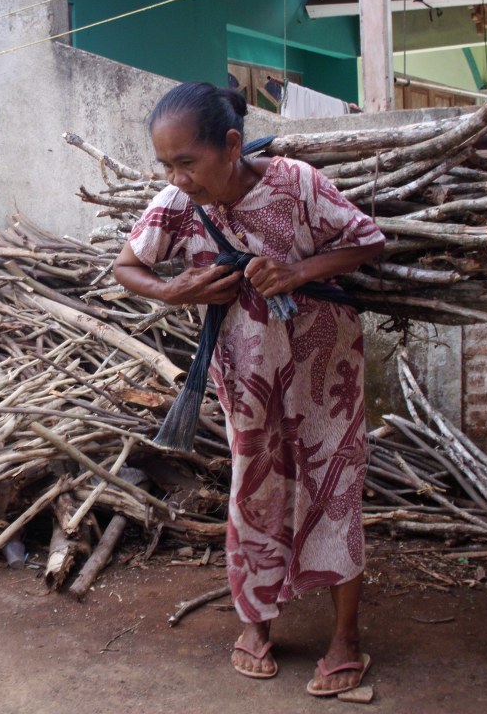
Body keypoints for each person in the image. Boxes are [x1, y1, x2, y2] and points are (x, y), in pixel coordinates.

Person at [112, 81, 385, 697]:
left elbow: (367, 239)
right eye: (166, 164)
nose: (177, 177)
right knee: (254, 492)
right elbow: (126, 267)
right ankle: (256, 624)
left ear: (231, 145)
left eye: (187, 161)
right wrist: (172, 290)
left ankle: (346, 638)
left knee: (335, 487)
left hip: (326, 370)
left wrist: (299, 270)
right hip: (247, 376)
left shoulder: (295, 183)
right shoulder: (177, 206)